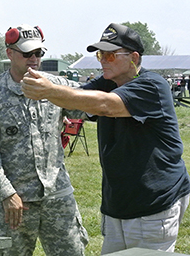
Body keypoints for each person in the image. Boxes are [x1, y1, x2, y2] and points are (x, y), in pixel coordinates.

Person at [21, 23, 190, 254]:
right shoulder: (108, 82)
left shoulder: (152, 85)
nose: (102, 60)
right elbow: (78, 97)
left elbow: (105, 105)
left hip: (152, 204)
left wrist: (49, 91)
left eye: (110, 55)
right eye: (100, 54)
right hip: (118, 204)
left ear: (134, 58)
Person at [0, 24, 88, 256]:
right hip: (15, 201)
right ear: (10, 53)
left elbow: (90, 103)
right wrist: (5, 192)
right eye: (27, 53)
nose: (34, 59)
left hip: (57, 196)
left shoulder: (56, 86)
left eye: (38, 53)